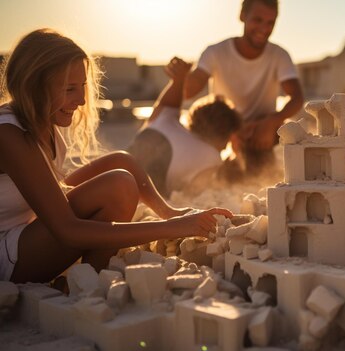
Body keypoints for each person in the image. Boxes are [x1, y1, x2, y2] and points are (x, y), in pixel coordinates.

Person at [0, 29, 233, 284]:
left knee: (120, 168)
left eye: (83, 87)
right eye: (69, 89)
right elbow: (67, 231)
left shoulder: (43, 123)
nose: (80, 99)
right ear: (34, 86)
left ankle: (87, 283)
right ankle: (89, 288)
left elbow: (114, 164)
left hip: (24, 235)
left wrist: (168, 213)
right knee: (119, 186)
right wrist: (178, 227)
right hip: (7, 255)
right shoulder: (10, 135)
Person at [184, 0, 304, 174]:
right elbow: (189, 91)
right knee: (203, 133)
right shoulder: (215, 52)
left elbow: (297, 98)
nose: (264, 28)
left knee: (288, 140)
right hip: (225, 130)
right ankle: (217, 168)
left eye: (270, 23)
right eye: (257, 20)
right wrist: (181, 76)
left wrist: (272, 122)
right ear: (242, 16)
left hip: (261, 131)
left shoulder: (279, 55)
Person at [127, 57, 242, 198]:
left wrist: (180, 78)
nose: (226, 147)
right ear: (224, 136)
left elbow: (173, 96)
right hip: (138, 195)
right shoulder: (211, 157)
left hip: (118, 171)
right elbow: (193, 193)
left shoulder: (164, 117)